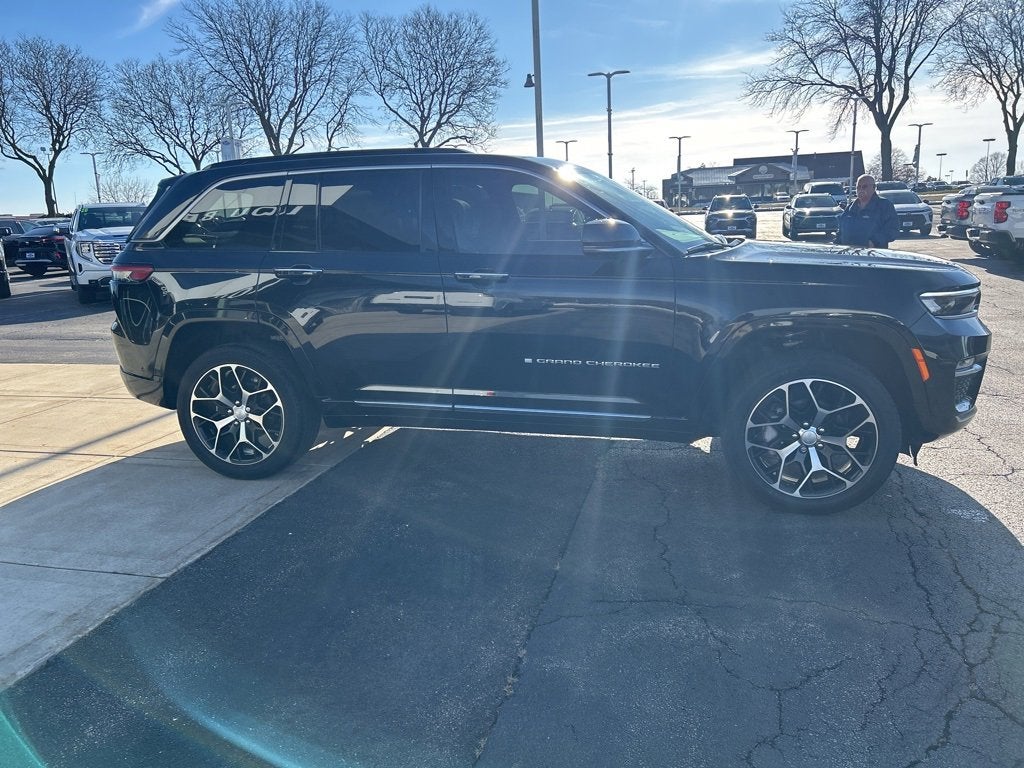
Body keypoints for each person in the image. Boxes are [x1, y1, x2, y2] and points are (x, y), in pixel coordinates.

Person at [836, 174, 899, 248]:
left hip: (873, 254)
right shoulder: (850, 208)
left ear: (874, 187)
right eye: (858, 187)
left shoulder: (884, 206)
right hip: (850, 255)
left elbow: (892, 230)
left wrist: (874, 242)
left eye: (864, 186)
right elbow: (840, 232)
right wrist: (837, 245)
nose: (861, 189)